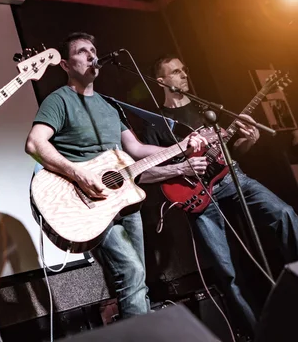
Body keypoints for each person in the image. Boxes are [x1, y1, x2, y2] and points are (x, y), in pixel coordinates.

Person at [24, 33, 206, 319]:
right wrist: (79, 173)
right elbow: (35, 143)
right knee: (132, 272)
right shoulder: (58, 100)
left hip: (123, 199)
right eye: (82, 51)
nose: (91, 55)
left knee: (138, 278)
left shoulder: (110, 106)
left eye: (93, 50)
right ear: (65, 65)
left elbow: (135, 148)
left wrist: (181, 146)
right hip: (88, 202)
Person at [139, 55, 298, 334]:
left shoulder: (204, 109)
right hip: (197, 198)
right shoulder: (156, 124)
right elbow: (145, 173)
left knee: (285, 214)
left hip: (233, 179)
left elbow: (229, 154)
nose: (184, 75)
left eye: (185, 69)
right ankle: (255, 333)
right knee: (226, 271)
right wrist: (182, 166)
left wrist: (248, 141)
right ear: (161, 81)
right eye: (176, 72)